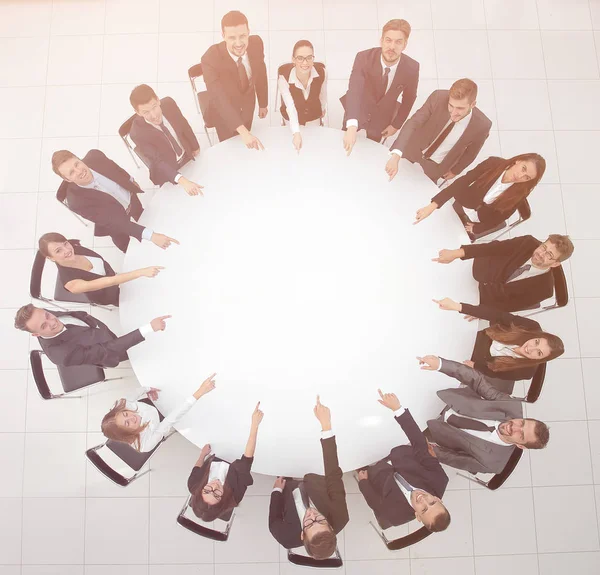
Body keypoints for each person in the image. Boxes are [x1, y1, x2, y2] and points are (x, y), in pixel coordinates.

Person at [417, 355, 550, 474]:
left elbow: (449, 457)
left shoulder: (492, 464)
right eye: (521, 423)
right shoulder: (511, 406)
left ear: (520, 445)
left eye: (520, 435)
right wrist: (441, 364)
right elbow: (477, 380)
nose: (514, 427)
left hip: (432, 429)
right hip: (443, 399)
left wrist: (420, 445)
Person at [357, 389, 450, 531]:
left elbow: (375, 502)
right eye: (432, 502)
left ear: (418, 517)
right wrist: (398, 409)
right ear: (438, 499)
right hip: (398, 452)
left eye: (424, 509)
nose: (423, 499)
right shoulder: (439, 479)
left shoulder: (395, 516)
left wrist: (363, 483)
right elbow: (419, 445)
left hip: (378, 475)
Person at [52, 149, 179, 253]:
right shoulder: (77, 202)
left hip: (129, 198)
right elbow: (115, 222)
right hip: (114, 221)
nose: (80, 171)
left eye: (77, 164)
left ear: (79, 159)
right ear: (67, 180)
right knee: (123, 241)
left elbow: (114, 167)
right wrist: (151, 236)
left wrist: (130, 180)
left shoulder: (95, 156)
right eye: (72, 172)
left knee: (141, 214)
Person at [269, 396, 349, 559]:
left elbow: (274, 519)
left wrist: (277, 490)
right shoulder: (340, 516)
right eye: (320, 520)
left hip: (288, 488)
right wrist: (326, 426)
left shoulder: (285, 536)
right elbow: (333, 476)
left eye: (309, 523)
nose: (312, 515)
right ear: (331, 528)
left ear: (302, 535)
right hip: (315, 476)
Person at [432, 298, 564, 386]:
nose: (530, 348)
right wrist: (459, 307)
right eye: (536, 342)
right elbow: (498, 316)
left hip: (474, 358)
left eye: (539, 353)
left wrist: (475, 366)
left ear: (541, 359)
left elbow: (494, 372)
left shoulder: (526, 372)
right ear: (537, 336)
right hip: (475, 337)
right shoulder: (531, 327)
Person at [414, 154, 546, 239]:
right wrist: (433, 205)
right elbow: (463, 182)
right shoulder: (493, 163)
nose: (520, 176)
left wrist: (478, 228)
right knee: (429, 230)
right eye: (523, 168)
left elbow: (499, 219)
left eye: (527, 177)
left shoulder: (520, 193)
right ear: (518, 160)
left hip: (476, 222)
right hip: (462, 205)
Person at [385, 79, 491, 184]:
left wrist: (456, 170)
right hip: (410, 150)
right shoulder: (438, 97)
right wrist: (397, 154)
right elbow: (413, 123)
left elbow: (471, 152)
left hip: (436, 167)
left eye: (460, 108)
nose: (453, 113)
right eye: (451, 106)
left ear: (472, 104)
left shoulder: (482, 125)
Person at [433, 234, 575, 312]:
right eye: (543, 247)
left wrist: (481, 311)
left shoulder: (544, 290)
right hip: (476, 271)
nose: (540, 254)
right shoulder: (528, 242)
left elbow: (510, 306)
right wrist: (457, 253)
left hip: (482, 300)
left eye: (549, 255)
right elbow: (492, 248)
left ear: (556, 263)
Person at [341, 19, 419, 155]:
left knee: (372, 151)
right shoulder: (363, 58)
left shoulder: (412, 68)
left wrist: (396, 125)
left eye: (398, 42)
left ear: (405, 44)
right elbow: (354, 90)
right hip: (359, 109)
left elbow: (409, 98)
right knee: (344, 142)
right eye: (388, 40)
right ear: (381, 40)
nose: (392, 47)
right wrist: (352, 124)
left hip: (383, 117)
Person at [14, 304, 170, 368]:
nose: (52, 322)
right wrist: (149, 328)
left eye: (47, 315)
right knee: (151, 354)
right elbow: (109, 348)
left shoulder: (43, 316)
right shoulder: (63, 355)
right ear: (36, 334)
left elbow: (72, 316)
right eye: (44, 326)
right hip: (111, 351)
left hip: (97, 332)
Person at [38, 232, 164, 307]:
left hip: (111, 276)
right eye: (58, 251)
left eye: (65, 243)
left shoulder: (75, 247)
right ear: (51, 258)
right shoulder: (72, 284)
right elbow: (109, 282)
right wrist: (141, 272)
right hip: (107, 293)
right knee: (141, 303)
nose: (67, 250)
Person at [201, 11, 268, 148]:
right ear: (223, 36)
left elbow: (260, 72)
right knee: (230, 147)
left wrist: (263, 103)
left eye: (243, 36)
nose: (238, 44)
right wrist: (243, 132)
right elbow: (219, 99)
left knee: (245, 141)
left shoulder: (256, 43)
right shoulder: (210, 58)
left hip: (247, 105)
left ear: (249, 32)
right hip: (223, 113)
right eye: (232, 38)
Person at [101, 373, 216, 453]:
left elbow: (135, 393)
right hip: (161, 420)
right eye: (127, 423)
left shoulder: (120, 405)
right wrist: (199, 392)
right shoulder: (145, 444)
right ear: (126, 433)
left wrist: (148, 389)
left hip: (151, 405)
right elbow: (171, 419)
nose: (132, 417)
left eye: (126, 414)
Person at [188, 402, 263, 521]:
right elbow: (247, 460)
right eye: (217, 494)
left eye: (207, 490)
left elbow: (197, 468)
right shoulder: (235, 495)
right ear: (223, 499)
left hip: (218, 450)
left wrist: (202, 455)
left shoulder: (193, 485)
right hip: (238, 453)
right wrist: (255, 425)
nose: (214, 486)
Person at [129, 84, 204, 195]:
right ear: (138, 112)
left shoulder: (169, 104)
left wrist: (195, 146)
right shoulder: (137, 133)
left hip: (187, 155)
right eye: (146, 112)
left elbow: (184, 125)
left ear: (158, 100)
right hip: (168, 169)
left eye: (154, 107)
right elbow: (157, 161)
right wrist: (182, 180)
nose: (154, 115)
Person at [277, 40, 327, 153]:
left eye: (309, 57)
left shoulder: (322, 72)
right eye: (300, 58)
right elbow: (290, 106)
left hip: (313, 117)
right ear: (293, 60)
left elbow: (323, 93)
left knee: (313, 149)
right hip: (291, 118)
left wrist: (322, 108)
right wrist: (296, 132)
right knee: (292, 150)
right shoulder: (283, 77)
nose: (305, 63)